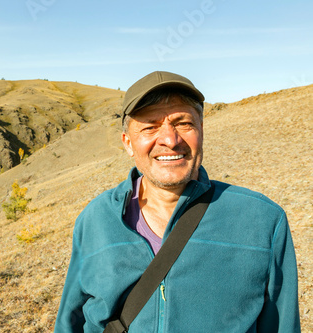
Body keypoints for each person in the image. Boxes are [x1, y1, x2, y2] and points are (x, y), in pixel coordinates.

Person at [54, 71, 300, 332]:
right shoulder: (96, 219)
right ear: (128, 143)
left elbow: (282, 325)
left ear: (201, 131)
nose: (170, 140)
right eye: (150, 126)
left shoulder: (262, 220)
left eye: (183, 123)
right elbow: (70, 321)